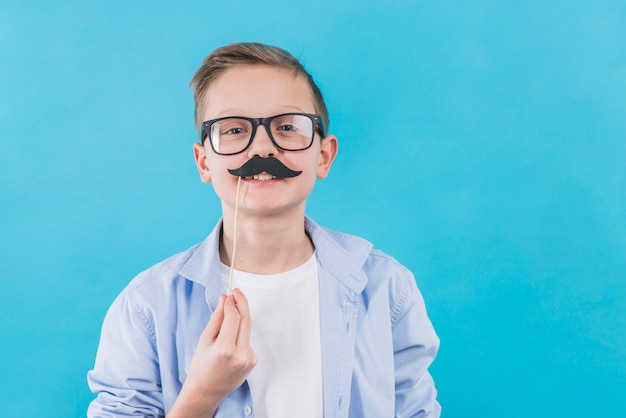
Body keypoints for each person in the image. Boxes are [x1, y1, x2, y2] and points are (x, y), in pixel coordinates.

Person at [87, 42, 441, 418]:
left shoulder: (388, 289)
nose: (262, 148)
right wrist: (203, 393)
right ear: (204, 162)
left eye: (287, 127)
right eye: (234, 129)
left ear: (323, 156)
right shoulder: (146, 307)